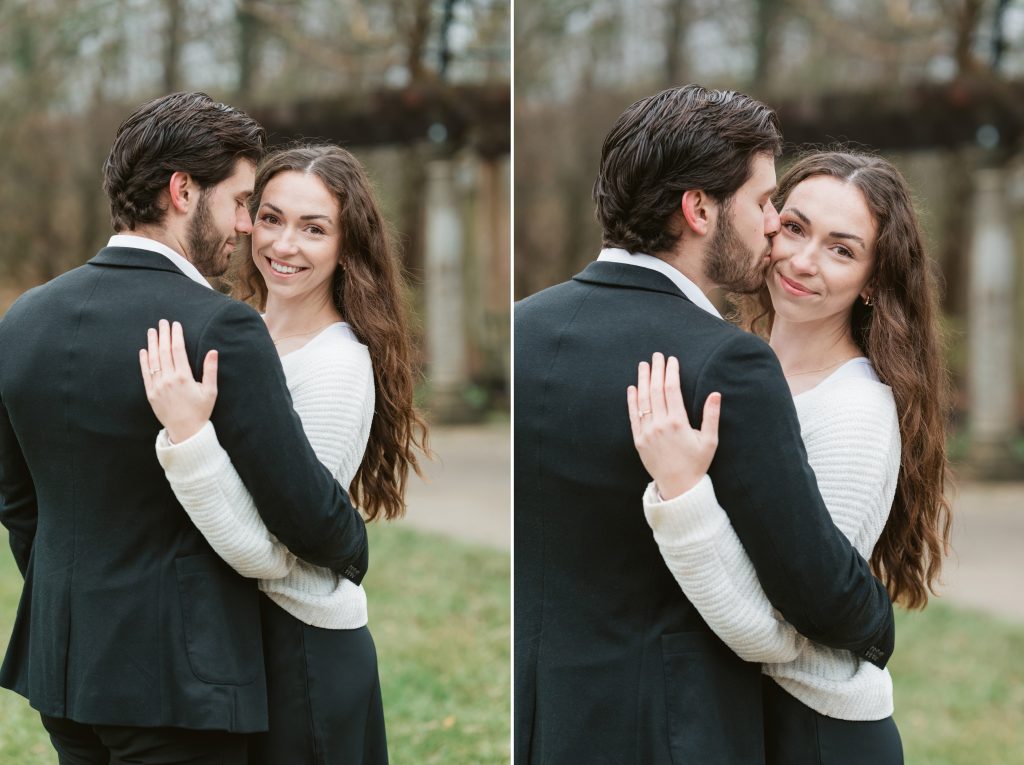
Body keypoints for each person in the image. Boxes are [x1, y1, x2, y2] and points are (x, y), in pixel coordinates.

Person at [514, 85, 896, 765]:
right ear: (698, 209)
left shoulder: (526, 327)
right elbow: (825, 599)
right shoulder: (725, 361)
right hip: (670, 732)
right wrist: (876, 621)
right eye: (763, 203)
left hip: (541, 721)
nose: (774, 225)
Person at [0, 93, 368, 764]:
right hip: (182, 681)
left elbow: (18, 503)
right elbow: (306, 515)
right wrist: (353, 543)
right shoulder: (217, 326)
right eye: (240, 202)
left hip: (63, 667)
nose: (246, 227)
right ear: (182, 191)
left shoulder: (23, 320)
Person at [629, 151, 951, 764]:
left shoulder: (854, 411)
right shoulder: (734, 365)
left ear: (875, 281)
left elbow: (777, 636)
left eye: (842, 249)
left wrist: (682, 492)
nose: (803, 261)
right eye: (796, 228)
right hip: (734, 718)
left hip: (814, 733)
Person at [140, 144, 429, 764]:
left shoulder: (336, 365)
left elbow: (280, 552)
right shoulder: (238, 330)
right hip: (238, 643)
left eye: (313, 228)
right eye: (270, 218)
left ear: (347, 246)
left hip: (303, 652)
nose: (283, 245)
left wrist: (188, 439)